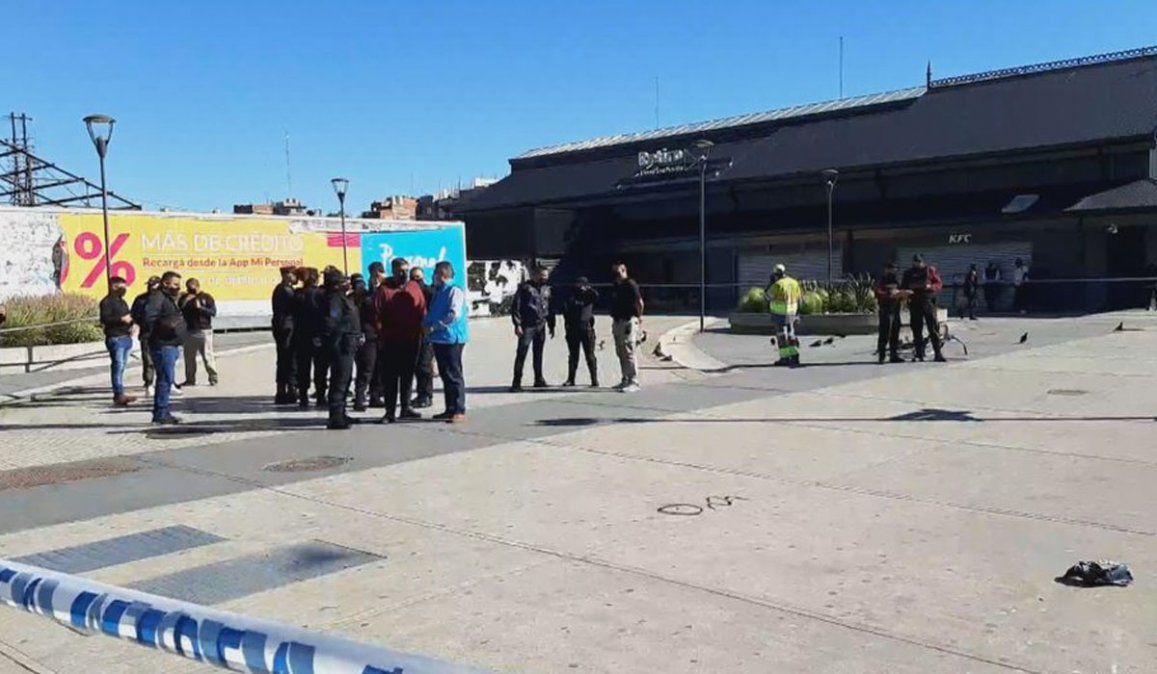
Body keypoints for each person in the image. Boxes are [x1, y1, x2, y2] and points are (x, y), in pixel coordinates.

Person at [375, 258, 427, 423]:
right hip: (391, 340)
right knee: (390, 377)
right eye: (400, 271)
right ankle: (390, 411)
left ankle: (405, 407)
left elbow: (422, 309)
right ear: (393, 271)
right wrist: (381, 335)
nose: (403, 273)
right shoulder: (384, 289)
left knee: (407, 375)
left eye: (406, 270)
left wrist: (423, 331)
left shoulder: (414, 286)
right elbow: (377, 315)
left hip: (412, 338)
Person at [423, 261, 469, 423]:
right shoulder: (439, 291)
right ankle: (449, 408)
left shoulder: (454, 291)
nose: (433, 277)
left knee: (453, 373)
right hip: (439, 339)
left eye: (435, 273)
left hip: (451, 338)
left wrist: (435, 326)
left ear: (442, 274)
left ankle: (459, 408)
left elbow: (454, 314)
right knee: (445, 374)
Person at [144, 271, 187, 424]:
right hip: (162, 344)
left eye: (178, 285)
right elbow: (149, 318)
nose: (178, 287)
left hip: (171, 343)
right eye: (175, 284)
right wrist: (166, 326)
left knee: (166, 379)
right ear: (165, 283)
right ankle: (161, 413)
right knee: (165, 378)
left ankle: (162, 411)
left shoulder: (168, 298)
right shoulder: (157, 298)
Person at [321, 269, 360, 430]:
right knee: (340, 380)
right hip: (340, 346)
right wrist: (346, 330)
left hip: (347, 345)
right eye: (344, 281)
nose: (348, 284)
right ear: (337, 285)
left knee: (345, 379)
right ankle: (335, 416)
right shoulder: (335, 300)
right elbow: (333, 322)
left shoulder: (342, 298)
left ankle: (341, 411)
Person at [510, 266, 555, 391]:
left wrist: (552, 325)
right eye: (543, 275)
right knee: (522, 353)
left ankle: (538, 378)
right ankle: (516, 382)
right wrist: (517, 324)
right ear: (536, 275)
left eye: (546, 275)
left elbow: (550, 307)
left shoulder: (547, 289)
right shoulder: (525, 288)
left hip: (541, 324)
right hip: (527, 325)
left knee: (538, 353)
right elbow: (516, 306)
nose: (545, 278)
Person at [293, 267, 328, 408]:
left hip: (301, 334)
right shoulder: (320, 294)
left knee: (303, 367)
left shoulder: (298, 295)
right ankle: (320, 395)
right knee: (320, 367)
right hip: (318, 335)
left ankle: (303, 395)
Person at [99, 276, 137, 406]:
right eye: (122, 286)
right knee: (118, 366)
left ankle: (121, 392)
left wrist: (132, 324)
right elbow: (105, 320)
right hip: (115, 338)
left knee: (122, 367)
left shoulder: (122, 302)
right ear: (114, 286)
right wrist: (121, 319)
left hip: (126, 337)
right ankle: (118, 394)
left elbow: (129, 316)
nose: (124, 289)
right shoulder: (106, 302)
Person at [902, 254, 946, 362]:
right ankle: (919, 354)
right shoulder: (908, 273)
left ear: (923, 262)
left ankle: (938, 353)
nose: (917, 264)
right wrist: (906, 292)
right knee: (917, 329)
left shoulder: (929, 270)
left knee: (933, 328)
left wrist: (930, 287)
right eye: (915, 262)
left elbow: (938, 283)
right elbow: (903, 286)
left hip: (927, 301)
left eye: (919, 262)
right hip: (914, 302)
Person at [609, 262, 644, 392]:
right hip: (617, 320)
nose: (616, 276)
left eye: (618, 273)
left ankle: (634, 380)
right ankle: (625, 378)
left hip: (628, 320)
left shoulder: (630, 284)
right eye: (614, 274)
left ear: (624, 271)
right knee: (620, 351)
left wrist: (639, 317)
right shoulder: (616, 285)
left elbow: (639, 302)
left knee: (629, 350)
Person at [178, 278, 218, 386]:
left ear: (197, 286)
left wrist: (201, 308)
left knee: (207, 356)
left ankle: (213, 377)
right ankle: (190, 379)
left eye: (193, 288)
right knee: (189, 357)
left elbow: (213, 312)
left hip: (204, 330)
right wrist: (185, 299)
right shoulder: (185, 298)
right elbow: (179, 309)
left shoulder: (206, 297)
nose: (191, 290)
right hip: (190, 330)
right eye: (188, 288)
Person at [562, 276, 599, 387]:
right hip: (573, 328)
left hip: (586, 328)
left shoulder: (589, 296)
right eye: (578, 284)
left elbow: (596, 296)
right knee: (573, 355)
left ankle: (594, 380)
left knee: (590, 355)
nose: (579, 287)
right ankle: (571, 379)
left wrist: (588, 289)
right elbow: (565, 309)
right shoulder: (571, 295)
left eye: (582, 285)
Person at [350, 273, 379, 412]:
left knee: (373, 368)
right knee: (366, 369)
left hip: (372, 335)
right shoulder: (356, 300)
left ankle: (374, 395)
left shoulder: (368, 297)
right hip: (365, 336)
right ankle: (360, 398)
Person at [410, 267, 436, 408]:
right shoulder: (408, 292)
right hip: (413, 334)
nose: (416, 280)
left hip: (427, 333)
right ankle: (421, 394)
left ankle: (426, 395)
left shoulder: (429, 292)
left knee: (425, 366)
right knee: (417, 367)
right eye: (413, 277)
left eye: (418, 277)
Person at [766, 264, 802, 367]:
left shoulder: (777, 285)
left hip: (780, 313)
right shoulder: (794, 282)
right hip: (792, 312)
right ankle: (794, 356)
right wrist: (797, 314)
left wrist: (771, 283)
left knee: (781, 336)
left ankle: (785, 358)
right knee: (791, 334)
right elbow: (799, 299)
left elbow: (767, 296)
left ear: (776, 274)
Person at [131, 276, 162, 396]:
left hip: (162, 334)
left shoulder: (164, 299)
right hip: (146, 334)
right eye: (150, 284)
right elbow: (134, 314)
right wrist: (139, 323)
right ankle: (149, 383)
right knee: (148, 359)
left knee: (164, 360)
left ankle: (166, 381)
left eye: (154, 284)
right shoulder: (141, 299)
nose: (151, 287)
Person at [271, 266, 298, 404]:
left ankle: (283, 389)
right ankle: (288, 390)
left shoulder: (281, 289)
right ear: (287, 275)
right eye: (294, 275)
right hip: (286, 328)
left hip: (282, 327)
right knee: (288, 359)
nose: (296, 278)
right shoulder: (285, 290)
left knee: (283, 359)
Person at [873, 262, 904, 364]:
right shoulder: (881, 280)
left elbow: (901, 289)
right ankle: (881, 356)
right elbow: (878, 292)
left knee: (895, 332)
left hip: (896, 309)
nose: (893, 271)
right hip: (886, 310)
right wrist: (889, 294)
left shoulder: (897, 280)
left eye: (894, 269)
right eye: (891, 269)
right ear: (886, 269)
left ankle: (893, 355)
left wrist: (902, 294)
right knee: (885, 333)